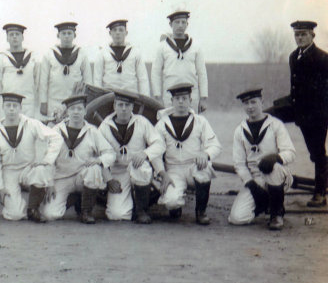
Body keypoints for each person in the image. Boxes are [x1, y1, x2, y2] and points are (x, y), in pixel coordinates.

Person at [228, 89, 296, 230]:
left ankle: (276, 214)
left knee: (273, 168)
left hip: (278, 175)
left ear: (261, 102)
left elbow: (290, 152)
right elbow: (239, 164)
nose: (250, 106)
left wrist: (276, 157)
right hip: (256, 178)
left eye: (254, 102)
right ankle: (265, 203)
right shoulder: (240, 130)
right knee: (237, 218)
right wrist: (251, 185)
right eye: (246, 103)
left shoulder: (276, 124)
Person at [0, 93, 62, 222]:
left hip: (28, 168)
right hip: (9, 171)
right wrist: (0, 188)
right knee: (15, 215)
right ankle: (16, 205)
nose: (11, 109)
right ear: (3, 108)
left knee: (40, 170)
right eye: (8, 105)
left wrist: (47, 160)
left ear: (20, 108)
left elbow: (56, 137)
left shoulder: (31, 123)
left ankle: (33, 209)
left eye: (15, 106)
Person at [156, 83, 221, 225]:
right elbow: (155, 152)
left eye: (184, 98)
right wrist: (163, 174)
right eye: (177, 98)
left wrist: (205, 154)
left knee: (204, 168)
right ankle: (176, 206)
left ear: (190, 101)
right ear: (171, 101)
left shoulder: (200, 121)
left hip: (193, 166)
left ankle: (201, 212)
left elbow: (215, 145)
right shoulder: (161, 124)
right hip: (173, 169)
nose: (181, 102)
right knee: (171, 202)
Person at [97, 90, 166, 224]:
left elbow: (160, 144)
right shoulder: (105, 127)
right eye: (120, 105)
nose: (124, 109)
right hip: (117, 172)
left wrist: (145, 153)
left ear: (132, 107)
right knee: (117, 214)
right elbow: (98, 154)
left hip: (137, 166)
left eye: (127, 105)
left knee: (143, 169)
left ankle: (142, 210)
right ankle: (129, 204)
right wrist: (109, 179)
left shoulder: (141, 122)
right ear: (114, 106)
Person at [43, 95, 114, 224]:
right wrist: (50, 183)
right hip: (62, 178)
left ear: (85, 111)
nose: (76, 112)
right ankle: (74, 199)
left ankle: (86, 211)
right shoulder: (56, 131)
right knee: (50, 214)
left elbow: (110, 153)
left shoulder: (92, 131)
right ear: (67, 112)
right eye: (73, 109)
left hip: (83, 176)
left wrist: (99, 160)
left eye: (79, 109)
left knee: (94, 170)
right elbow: (48, 158)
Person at [287, 20, 328, 207]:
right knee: (314, 152)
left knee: (317, 152)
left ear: (312, 35)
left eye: (303, 34)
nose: (300, 38)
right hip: (301, 113)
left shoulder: (322, 58)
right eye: (297, 34)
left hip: (318, 114)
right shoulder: (293, 56)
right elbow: (294, 87)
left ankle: (320, 192)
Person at [151, 11, 208, 111]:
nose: (180, 25)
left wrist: (203, 98)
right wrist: (157, 97)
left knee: (191, 123)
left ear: (187, 24)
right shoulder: (162, 47)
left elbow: (202, 72)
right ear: (170, 24)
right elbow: (155, 73)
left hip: (191, 95)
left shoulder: (196, 46)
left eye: (183, 22)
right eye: (177, 22)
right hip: (169, 95)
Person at [39, 22, 92, 119]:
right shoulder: (49, 54)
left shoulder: (82, 54)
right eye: (63, 33)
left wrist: (88, 100)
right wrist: (43, 102)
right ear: (58, 35)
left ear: (74, 35)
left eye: (69, 33)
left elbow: (88, 79)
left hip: (75, 100)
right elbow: (43, 81)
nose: (66, 36)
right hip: (54, 100)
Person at [0, 24, 41, 118]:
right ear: (7, 38)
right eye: (11, 35)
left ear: (22, 37)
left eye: (17, 34)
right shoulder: (1, 58)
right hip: (9, 102)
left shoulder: (33, 57)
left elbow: (37, 80)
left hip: (28, 102)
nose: (14, 37)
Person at [93, 20, 150, 96]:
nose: (117, 33)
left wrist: (145, 98)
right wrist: (98, 97)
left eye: (121, 30)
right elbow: (97, 78)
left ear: (126, 33)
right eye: (114, 30)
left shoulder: (135, 52)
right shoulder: (103, 53)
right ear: (110, 33)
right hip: (109, 95)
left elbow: (142, 78)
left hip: (131, 95)